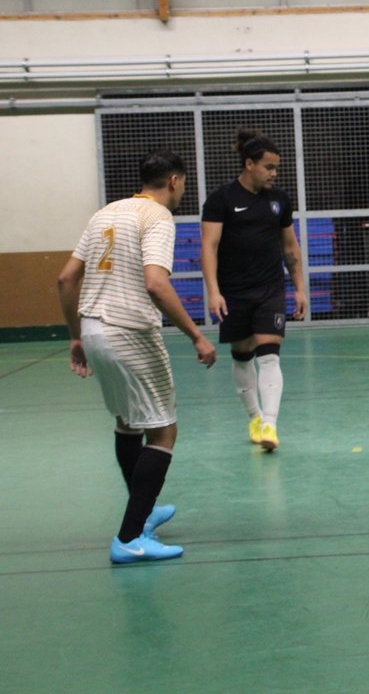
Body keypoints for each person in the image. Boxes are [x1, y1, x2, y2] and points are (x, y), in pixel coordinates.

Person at [57, 150, 217, 564]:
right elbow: (155, 284)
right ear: (176, 181)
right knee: (163, 432)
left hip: (93, 328)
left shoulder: (105, 213)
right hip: (128, 331)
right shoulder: (158, 217)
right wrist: (197, 336)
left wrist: (76, 337)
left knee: (128, 423)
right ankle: (130, 538)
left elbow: (66, 277)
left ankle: (141, 513)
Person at [201, 129, 308, 451]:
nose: (274, 174)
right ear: (249, 164)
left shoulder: (279, 201)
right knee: (242, 355)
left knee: (269, 355)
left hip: (270, 289)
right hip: (233, 291)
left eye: (277, 168)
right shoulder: (221, 199)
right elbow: (209, 246)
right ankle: (255, 417)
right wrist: (213, 291)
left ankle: (271, 426)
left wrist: (300, 289)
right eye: (269, 167)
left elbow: (290, 247)